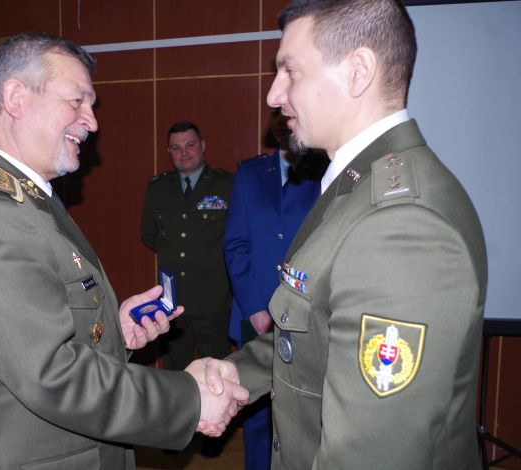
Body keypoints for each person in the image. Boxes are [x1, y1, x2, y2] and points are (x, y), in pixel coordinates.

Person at [0, 33, 247, 470]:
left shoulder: (28, 198)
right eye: (77, 101)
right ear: (16, 98)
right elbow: (52, 375)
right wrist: (188, 400)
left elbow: (34, 334)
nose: (92, 122)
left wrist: (115, 330)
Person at [202, 1, 488, 469]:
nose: (274, 94)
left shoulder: (401, 226)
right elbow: (313, 336)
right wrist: (232, 373)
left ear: (358, 72)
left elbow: (370, 455)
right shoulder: (354, 186)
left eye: (290, 71)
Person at [223, 108, 322, 470]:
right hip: (255, 310)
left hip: (307, 311)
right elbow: (236, 243)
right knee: (257, 410)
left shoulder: (325, 171)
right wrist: (254, 307)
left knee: (302, 408)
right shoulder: (250, 173)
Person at [140, 122, 233, 372]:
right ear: (169, 152)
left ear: (203, 146)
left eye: (190, 145)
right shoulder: (158, 187)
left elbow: (236, 238)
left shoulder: (226, 185)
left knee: (216, 370)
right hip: (173, 300)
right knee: (175, 371)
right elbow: (148, 234)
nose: (184, 152)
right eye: (176, 148)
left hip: (213, 299)